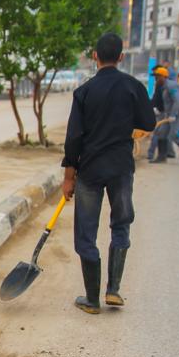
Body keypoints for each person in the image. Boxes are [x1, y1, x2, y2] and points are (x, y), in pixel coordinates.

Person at [62, 32, 155, 315]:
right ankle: (113, 290)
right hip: (120, 169)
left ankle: (92, 300)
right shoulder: (133, 87)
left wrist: (69, 177)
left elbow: (73, 138)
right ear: (121, 57)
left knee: (86, 233)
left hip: (90, 170)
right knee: (121, 224)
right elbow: (148, 121)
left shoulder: (85, 92)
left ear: (95, 57)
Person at [151, 66, 179, 165]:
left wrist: (173, 114)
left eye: (157, 77)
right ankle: (162, 157)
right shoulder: (163, 86)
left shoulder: (171, 86)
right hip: (170, 113)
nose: (156, 79)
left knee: (175, 133)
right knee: (161, 132)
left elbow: (177, 101)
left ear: (163, 77)